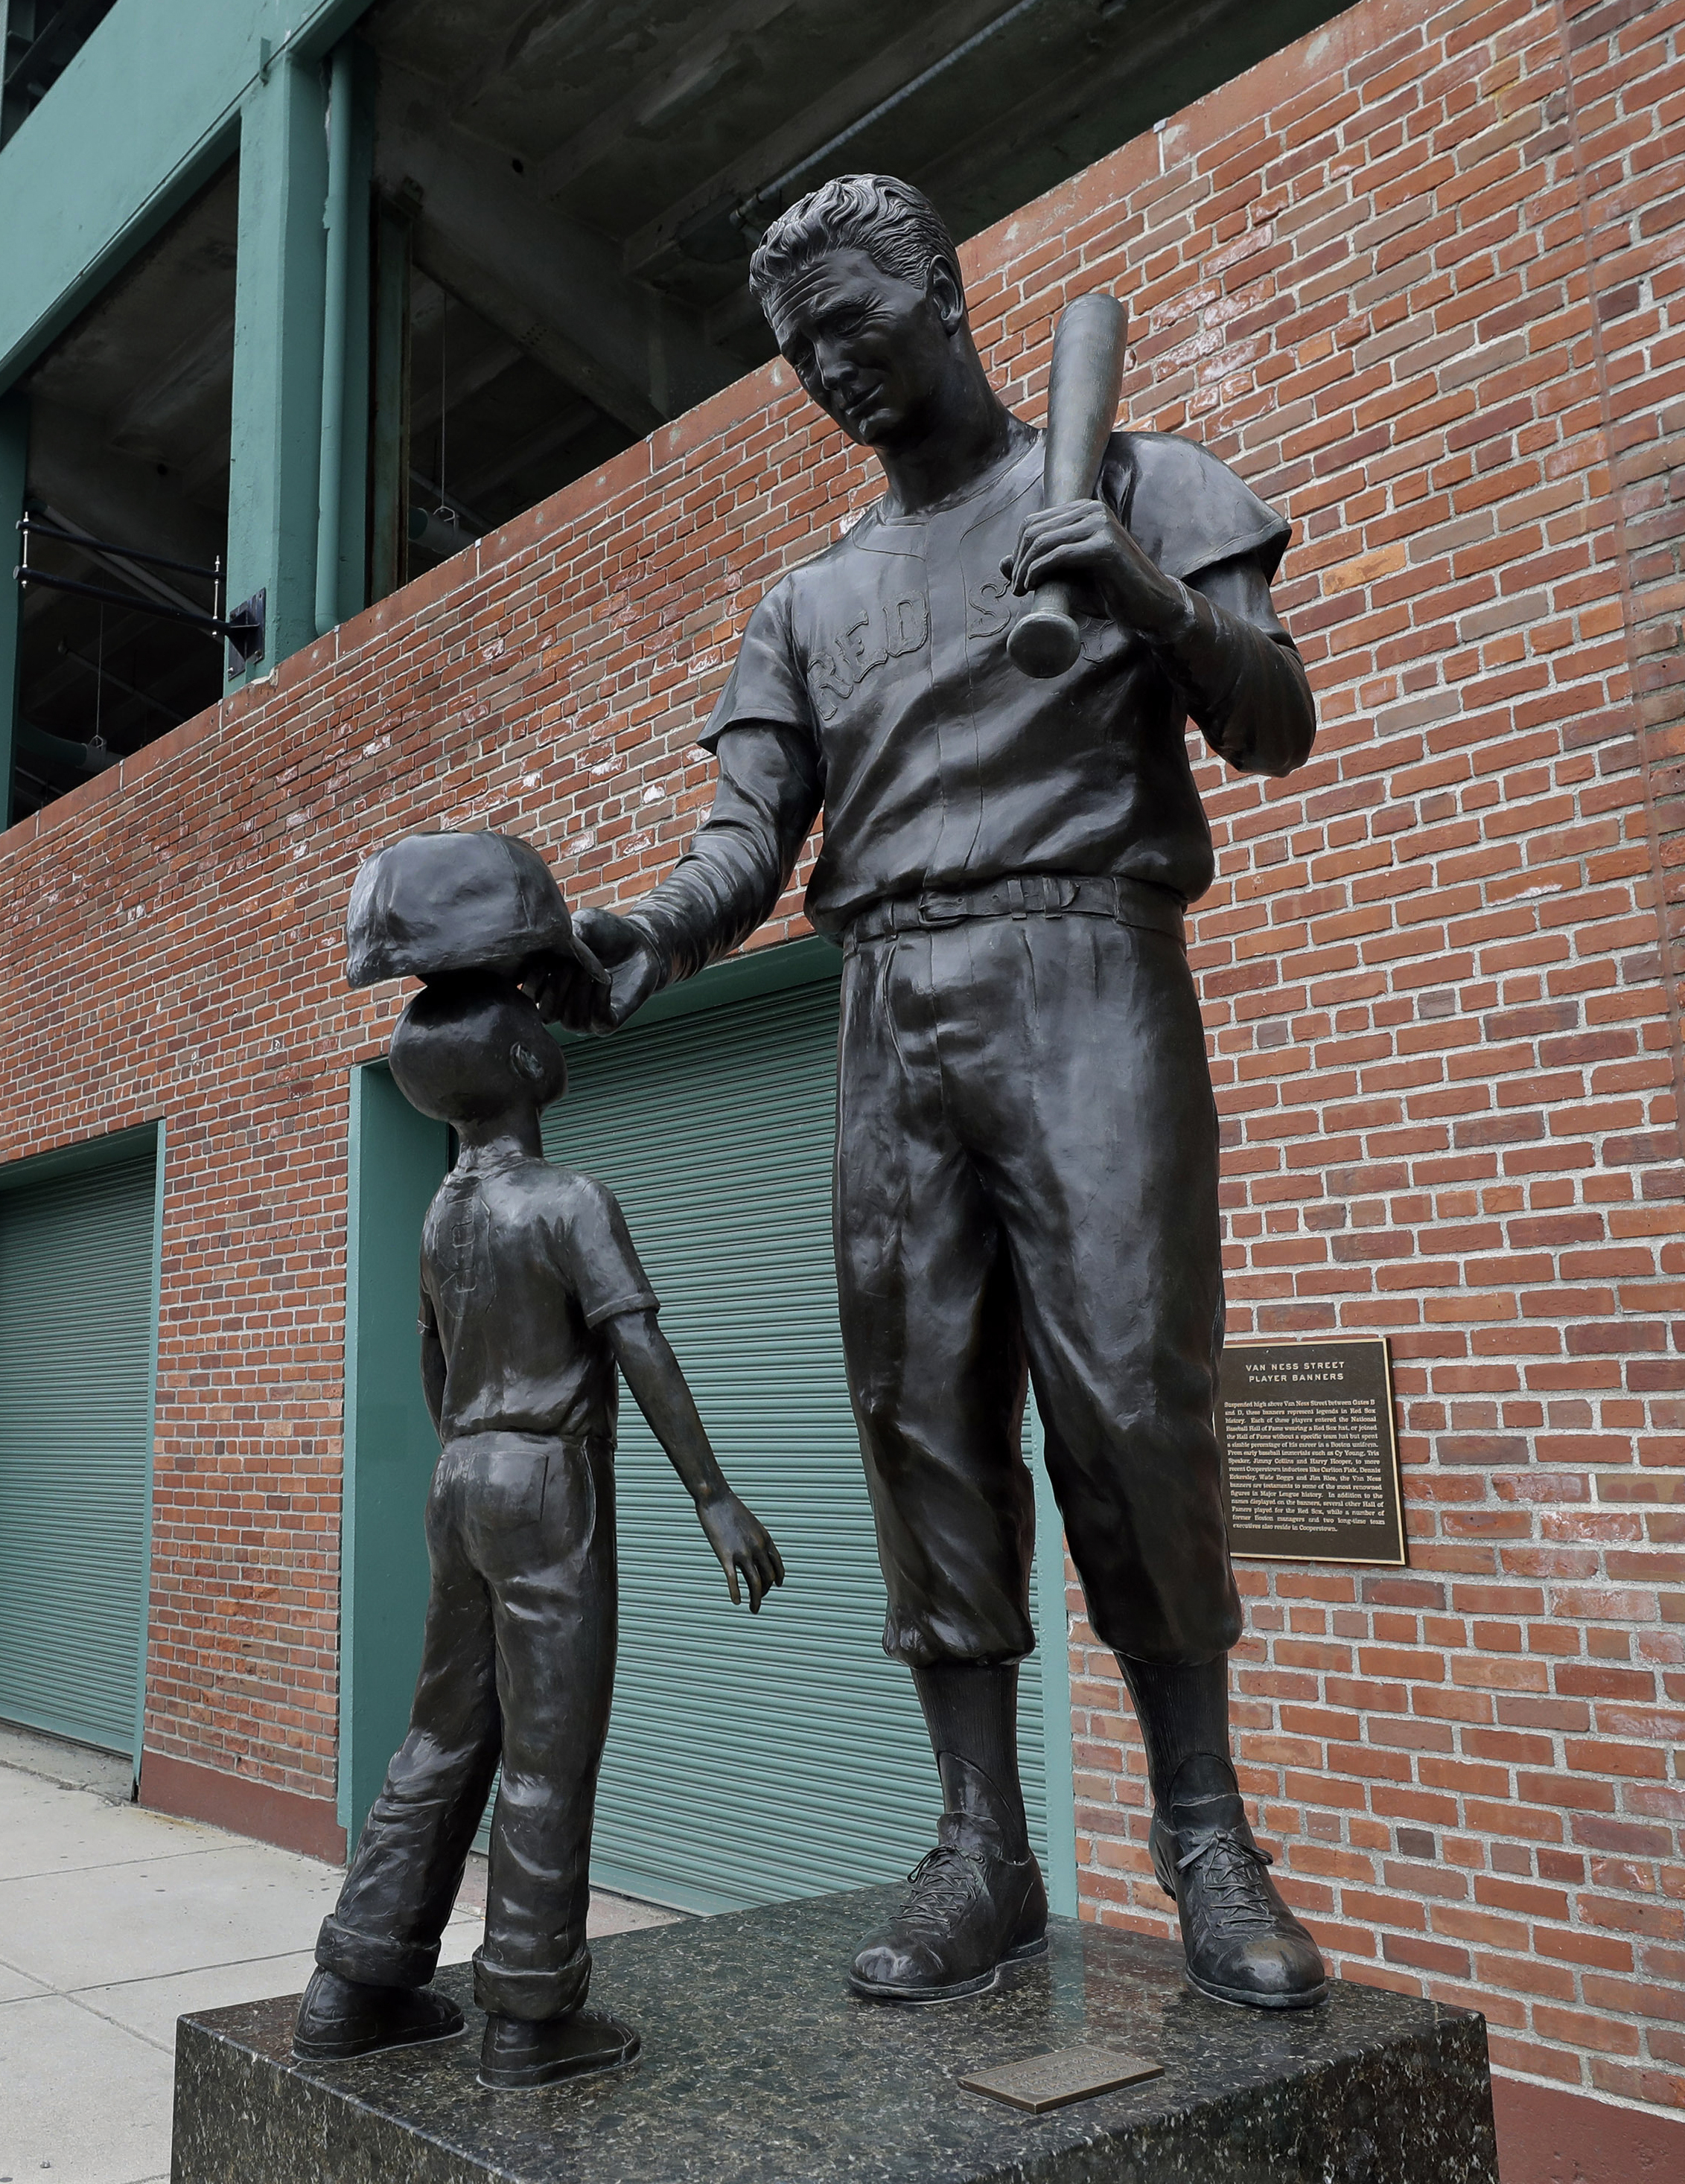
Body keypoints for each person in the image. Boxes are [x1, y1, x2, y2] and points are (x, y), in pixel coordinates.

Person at [535, 175, 1329, 2012]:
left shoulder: (1136, 481)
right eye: (798, 351)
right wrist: (649, 934)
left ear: (945, 301)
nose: (827, 370)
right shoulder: (806, 600)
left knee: (1131, 1395)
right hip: (887, 991)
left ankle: (1206, 1835)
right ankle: (981, 1843)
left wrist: (1136, 594)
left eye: (854, 330)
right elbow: (746, 841)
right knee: (919, 1415)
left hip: (1087, 960)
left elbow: (1275, 719)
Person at [297, 833, 786, 2091]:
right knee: (547, 1748)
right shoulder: (566, 1198)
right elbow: (641, 1349)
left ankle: (358, 1974)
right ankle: (526, 2006)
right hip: (548, 1482)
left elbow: (425, 1365)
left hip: (460, 1475)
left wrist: (472, 1441)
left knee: (438, 1733)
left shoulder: (440, 1211)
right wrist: (713, 1492)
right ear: (521, 1061)